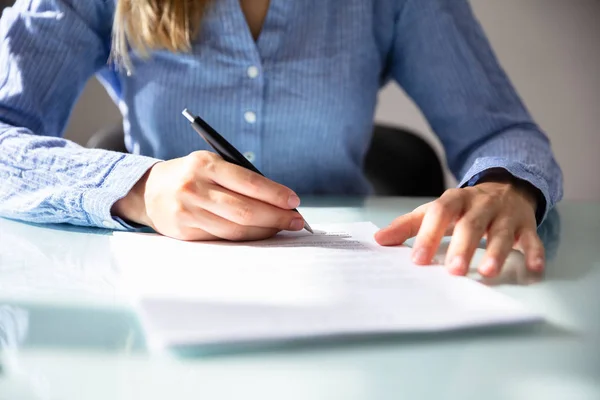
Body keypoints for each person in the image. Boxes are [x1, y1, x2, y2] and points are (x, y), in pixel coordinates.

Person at [0, 0, 562, 278]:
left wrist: (504, 183)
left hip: (347, 283)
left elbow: (502, 131)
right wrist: (139, 187)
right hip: (165, 282)